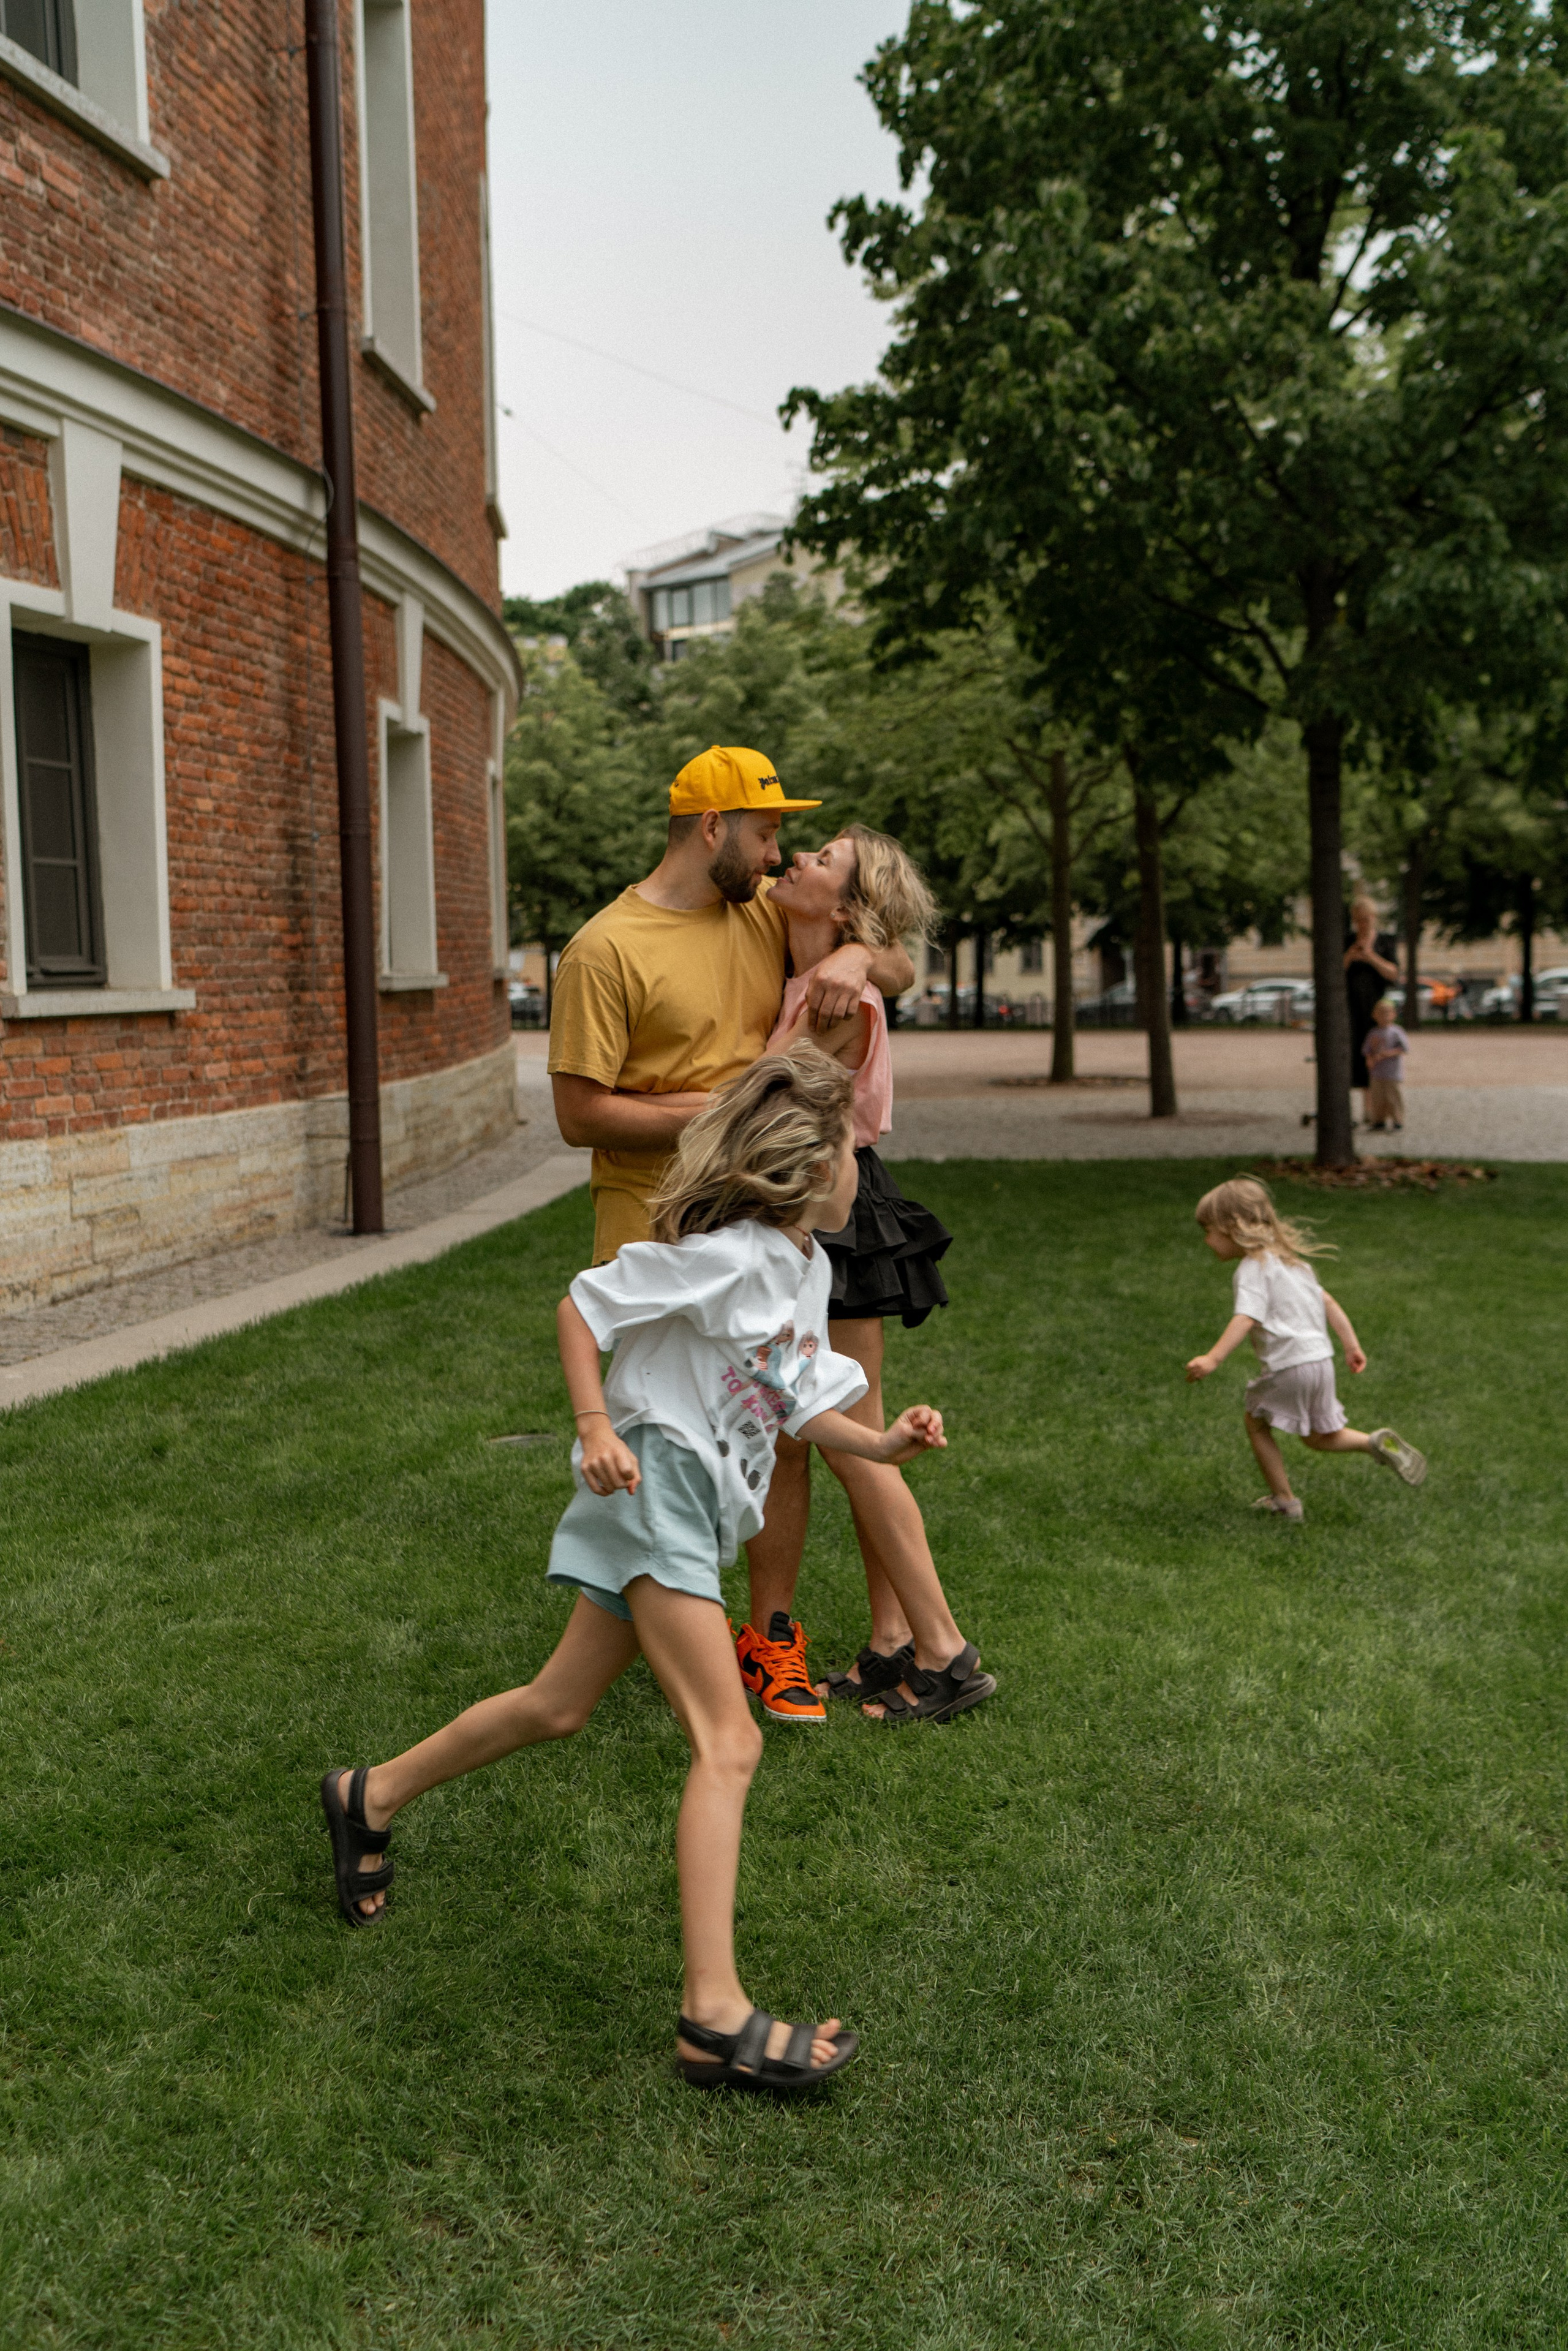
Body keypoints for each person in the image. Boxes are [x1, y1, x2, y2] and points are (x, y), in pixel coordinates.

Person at [321, 1051, 948, 2093]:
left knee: (558, 1704)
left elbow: (796, 1391)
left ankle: (368, 1792)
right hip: (654, 1479)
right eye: (853, 1146)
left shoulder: (803, 1267)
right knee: (729, 1737)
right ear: (807, 1162)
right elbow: (584, 1304)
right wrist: (593, 1424)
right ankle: (714, 2015)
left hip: (691, 1505)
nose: (863, 1162)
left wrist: (881, 1448)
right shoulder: (732, 1254)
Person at [547, 745, 914, 1724]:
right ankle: (631, 1630)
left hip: (768, 1229)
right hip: (660, 1226)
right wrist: (724, 1109)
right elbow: (580, 1115)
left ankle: (770, 1638)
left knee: (775, 1427)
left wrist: (854, 954)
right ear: (714, 828)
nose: (778, 851)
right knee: (668, 1431)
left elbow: (892, 951)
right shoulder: (603, 950)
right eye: (767, 831)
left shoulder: (760, 907)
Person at [740, 824, 995, 1727]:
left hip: (828, 1210)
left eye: (819, 860)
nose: (794, 859)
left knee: (848, 1435)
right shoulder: (817, 972)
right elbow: (895, 955)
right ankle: (894, 1641)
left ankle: (944, 1649)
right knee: (851, 1432)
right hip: (823, 1205)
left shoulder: (835, 1003)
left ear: (845, 906)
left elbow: (760, 1106)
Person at [1184, 1176, 1427, 1522]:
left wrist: (1213, 1358)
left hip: (1291, 1367)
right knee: (1319, 1437)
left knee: (1256, 1423)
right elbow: (1327, 1301)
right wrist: (1351, 1345)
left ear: (1231, 1227)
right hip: (1320, 1362)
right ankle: (1372, 1443)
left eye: (1209, 1231)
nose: (1207, 1241)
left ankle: (1285, 1502)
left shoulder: (1253, 1269)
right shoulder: (1295, 1265)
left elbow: (1246, 1317)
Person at [1343, 897, 1400, 1115]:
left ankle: (1376, 1108)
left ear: (1374, 918)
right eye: (1358, 921)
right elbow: (1336, 972)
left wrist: (1371, 957)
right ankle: (1365, 1107)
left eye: (1366, 920)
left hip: (1376, 1009)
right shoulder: (1348, 941)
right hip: (1352, 1007)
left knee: (1377, 1052)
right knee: (1357, 1053)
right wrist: (1350, 956)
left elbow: (1394, 973)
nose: (1362, 925)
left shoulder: (1385, 942)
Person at [1363, 997, 1409, 1130]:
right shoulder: (1373, 1033)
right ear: (1374, 1015)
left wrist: (1387, 1054)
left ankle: (1397, 1120)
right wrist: (1370, 1060)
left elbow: (1404, 1049)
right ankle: (1378, 1120)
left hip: (1392, 1073)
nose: (1384, 1016)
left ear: (1394, 1014)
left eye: (1387, 1012)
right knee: (1377, 1098)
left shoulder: (1396, 1032)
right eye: (1381, 1013)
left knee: (1393, 1097)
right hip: (1377, 1073)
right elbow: (1367, 1050)